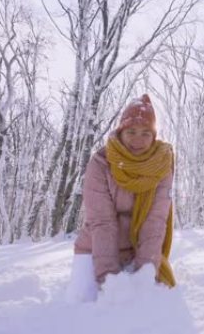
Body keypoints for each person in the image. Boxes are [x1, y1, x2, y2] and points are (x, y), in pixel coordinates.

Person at [65, 94, 176, 303]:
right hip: (95, 249)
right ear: (120, 132)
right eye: (131, 132)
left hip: (138, 250)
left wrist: (144, 273)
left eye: (146, 133)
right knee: (84, 306)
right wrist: (108, 280)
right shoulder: (100, 164)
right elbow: (102, 222)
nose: (138, 140)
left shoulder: (161, 166)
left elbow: (155, 221)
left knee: (151, 306)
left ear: (154, 136)